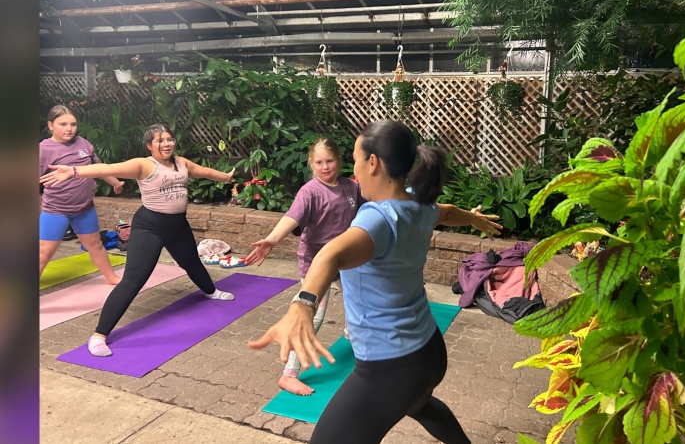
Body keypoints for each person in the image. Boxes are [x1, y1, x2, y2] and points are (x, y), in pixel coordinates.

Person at [248, 119, 502, 443]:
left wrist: (302, 306)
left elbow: (330, 255)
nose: (353, 169)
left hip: (389, 367)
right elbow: (448, 212)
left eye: (354, 159)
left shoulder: (378, 217)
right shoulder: (418, 203)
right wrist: (473, 218)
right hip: (428, 351)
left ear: (373, 163)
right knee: (419, 403)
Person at [39, 123, 237, 357]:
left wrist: (225, 177)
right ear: (149, 146)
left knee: (191, 261)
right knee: (133, 280)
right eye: (160, 140)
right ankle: (99, 335)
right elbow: (108, 168)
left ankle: (210, 291)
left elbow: (203, 171)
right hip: (150, 227)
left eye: (169, 139)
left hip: (177, 225)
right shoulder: (143, 165)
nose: (166, 143)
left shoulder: (181, 162)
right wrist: (73, 171)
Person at [245, 137, 364, 395]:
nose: (325, 166)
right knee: (313, 316)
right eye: (319, 162)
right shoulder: (310, 191)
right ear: (311, 163)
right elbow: (292, 217)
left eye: (329, 160)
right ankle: (289, 374)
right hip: (316, 263)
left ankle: (352, 332)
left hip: (344, 259)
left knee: (360, 300)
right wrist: (272, 240)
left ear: (339, 161)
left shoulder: (350, 188)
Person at [39, 104, 126, 285]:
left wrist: (116, 183)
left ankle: (111, 277)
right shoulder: (44, 149)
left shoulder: (83, 143)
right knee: (44, 253)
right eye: (63, 124)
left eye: (73, 124)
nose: (69, 129)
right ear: (50, 125)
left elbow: (98, 168)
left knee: (95, 246)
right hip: (56, 210)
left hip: (84, 209)